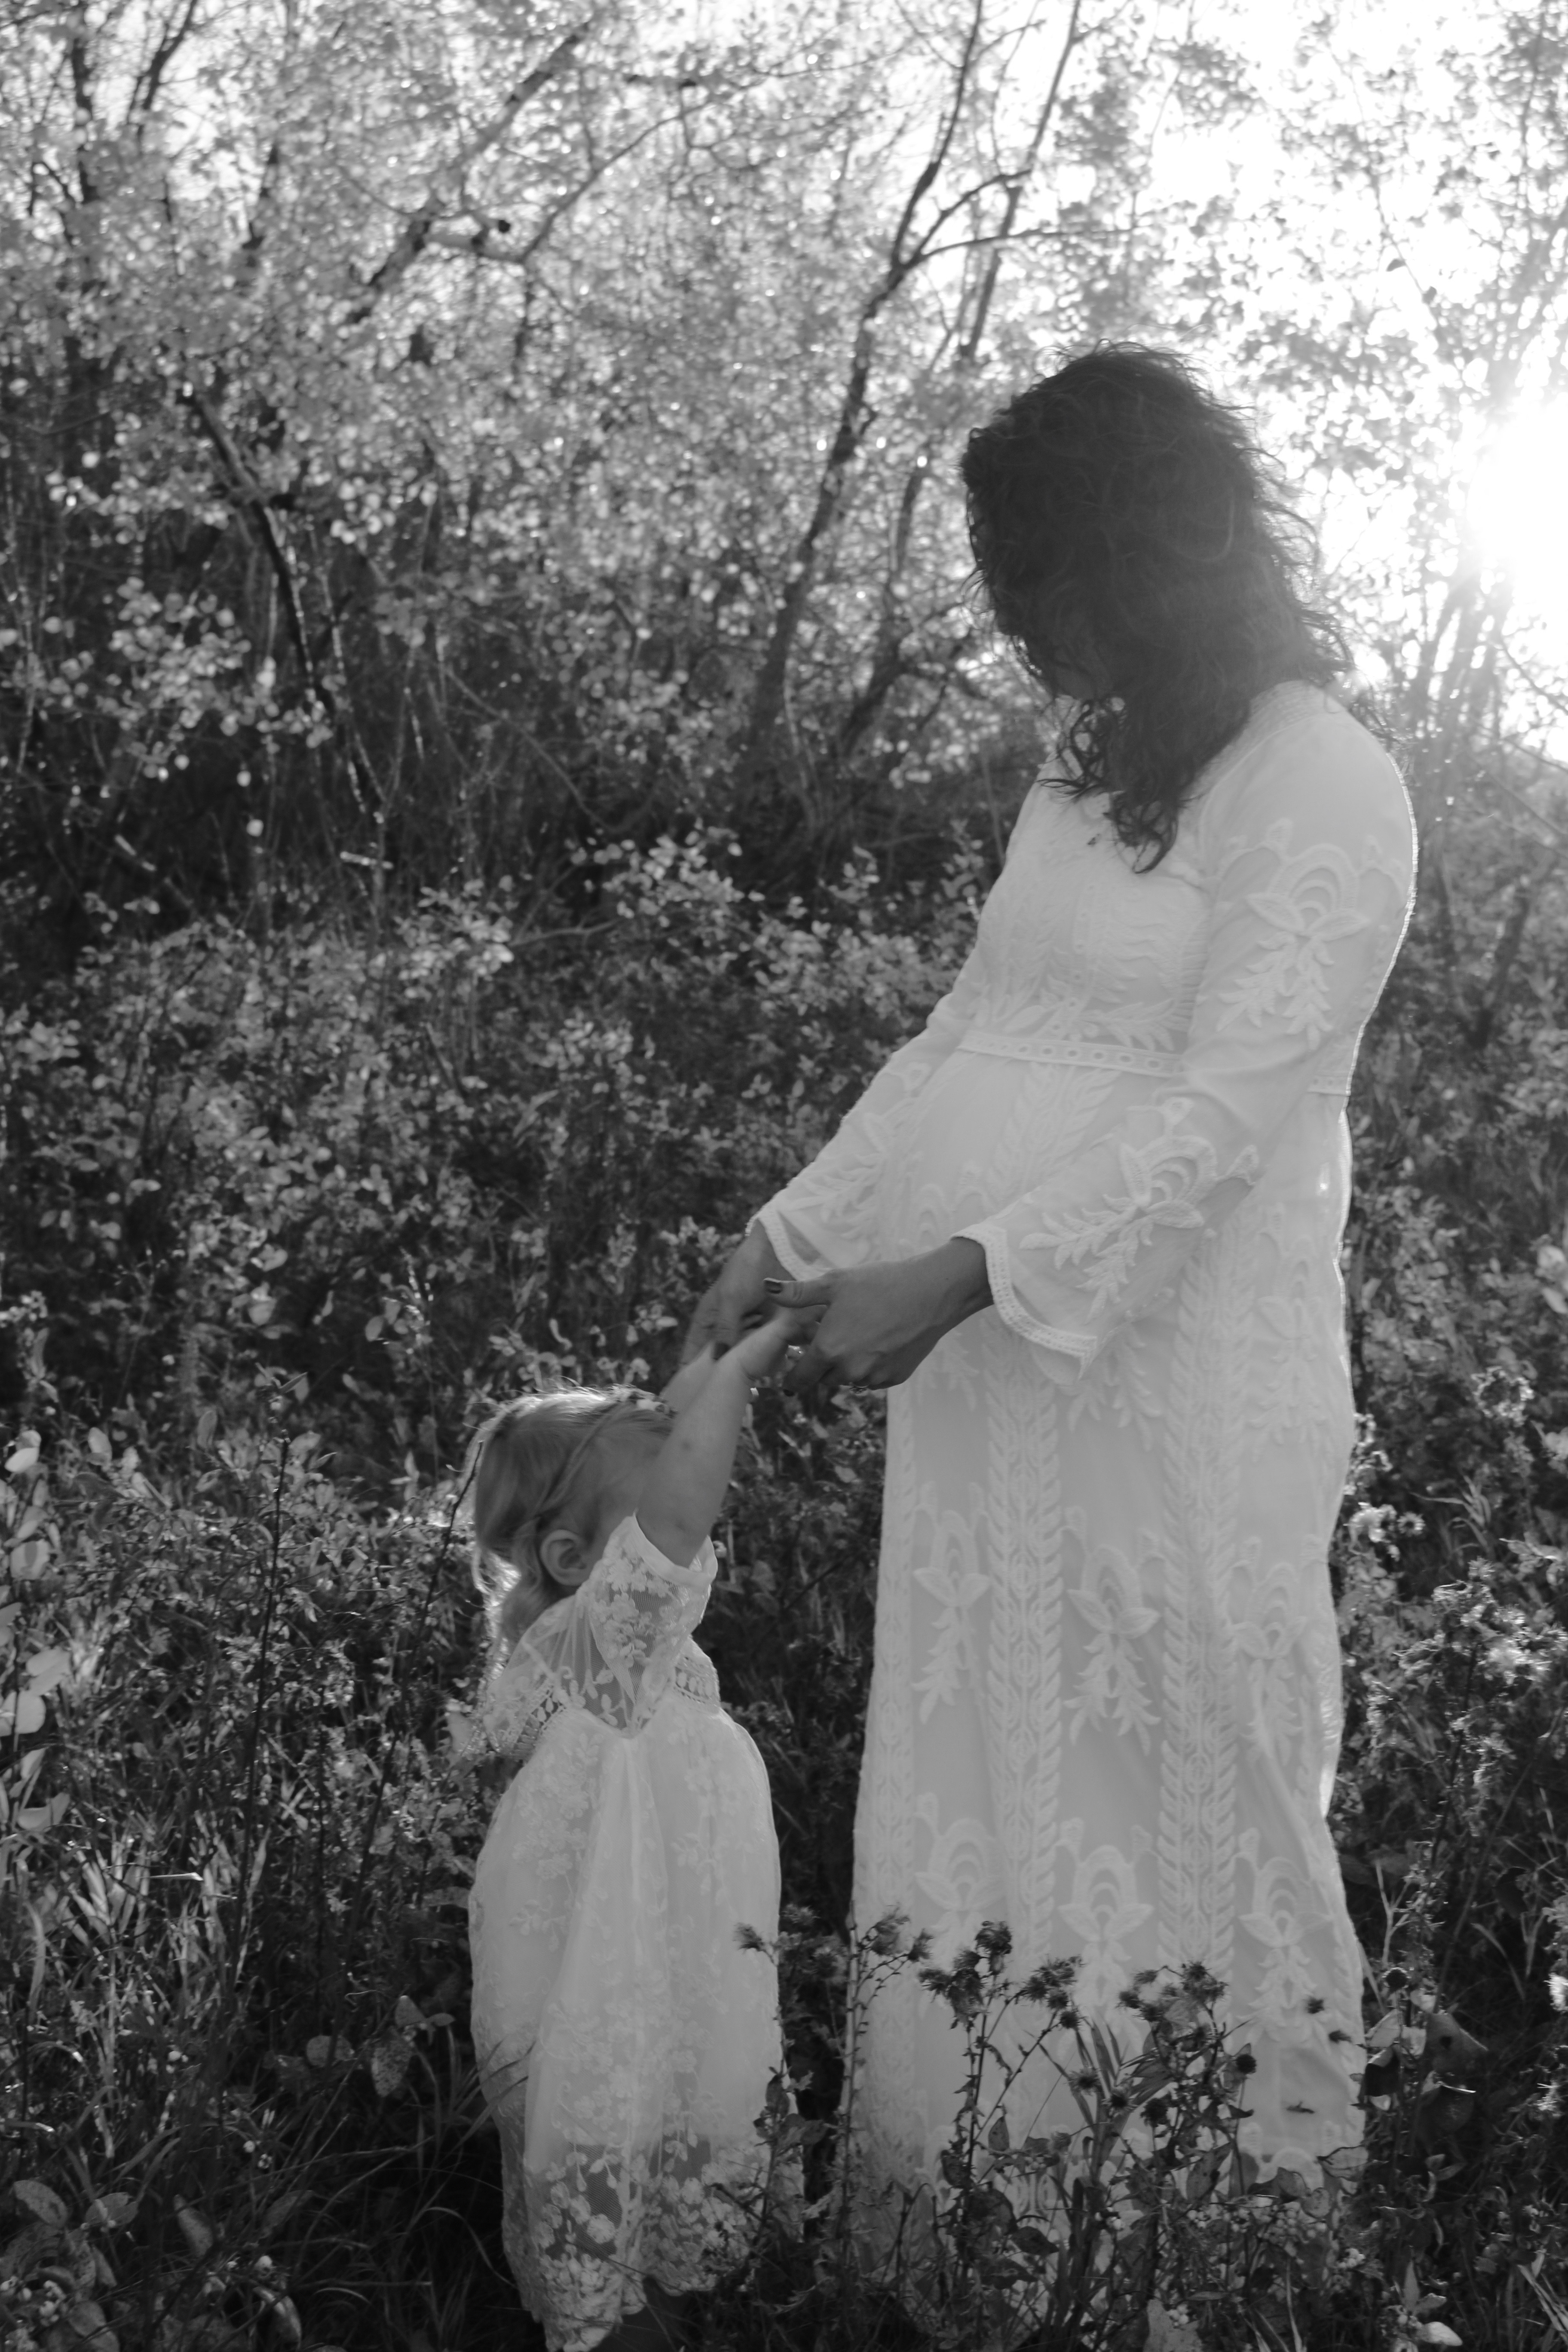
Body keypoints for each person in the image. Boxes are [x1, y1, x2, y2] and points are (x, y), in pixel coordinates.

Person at [683, 346, 1416, 2204]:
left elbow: (1225, 1114)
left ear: (1156, 558)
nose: (1036, 637)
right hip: (994, 1400)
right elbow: (974, 1025)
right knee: (988, 1762)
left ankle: (1210, 2244)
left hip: (1172, 1389)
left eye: (1054, 586)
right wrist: (797, 1228)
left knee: (1190, 1771)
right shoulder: (1086, 763)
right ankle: (964, 2232)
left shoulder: (1323, 778)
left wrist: (960, 1275)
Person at [462, 1313, 799, 2352]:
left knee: (616, 2128)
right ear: (575, 1556)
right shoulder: (615, 1632)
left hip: (614, 1942)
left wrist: (720, 1351)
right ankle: (635, 2323)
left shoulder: (573, 1636)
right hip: (632, 1957)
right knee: (638, 2116)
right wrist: (744, 1372)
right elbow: (684, 1491)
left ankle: (636, 2308)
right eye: (648, 1515)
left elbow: (664, 1439)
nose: (682, 1529)